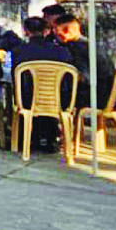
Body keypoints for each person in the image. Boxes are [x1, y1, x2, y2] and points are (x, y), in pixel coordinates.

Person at [10, 16, 76, 151]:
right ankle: (50, 138)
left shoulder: (18, 51)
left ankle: (26, 138)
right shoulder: (62, 52)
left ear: (26, 31)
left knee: (24, 92)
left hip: (27, 100)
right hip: (58, 100)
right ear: (46, 31)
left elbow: (14, 78)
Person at [54, 13, 115, 111]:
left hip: (94, 99)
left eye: (57, 33)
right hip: (110, 96)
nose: (56, 37)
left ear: (66, 31)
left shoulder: (75, 48)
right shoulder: (93, 45)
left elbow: (84, 78)